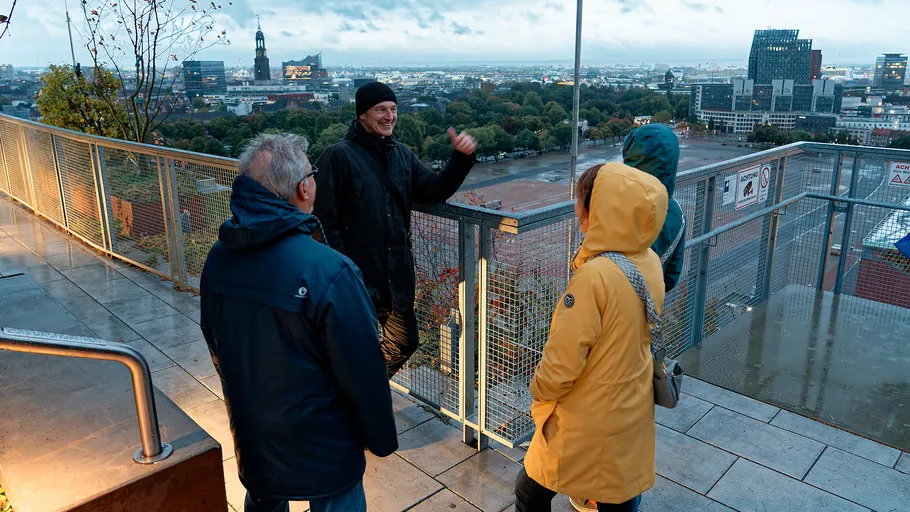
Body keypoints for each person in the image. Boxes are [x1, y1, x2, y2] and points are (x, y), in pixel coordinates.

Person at [200, 134, 398, 512]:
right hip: (325, 445)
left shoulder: (219, 257)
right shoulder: (329, 270)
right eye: (313, 173)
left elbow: (216, 343)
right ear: (303, 188)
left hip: (254, 433)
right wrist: (381, 438)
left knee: (263, 499)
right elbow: (362, 370)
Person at [516, 162, 668, 512]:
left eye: (581, 202)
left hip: (587, 417)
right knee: (616, 492)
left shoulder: (594, 277)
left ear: (598, 210)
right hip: (629, 404)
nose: (577, 209)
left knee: (530, 493)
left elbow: (563, 361)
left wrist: (539, 390)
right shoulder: (649, 261)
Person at [313, 81, 477, 378]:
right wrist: (342, 271)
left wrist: (460, 159)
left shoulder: (403, 155)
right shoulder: (337, 157)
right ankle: (350, 400)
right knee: (348, 345)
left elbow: (433, 190)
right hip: (355, 275)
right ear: (362, 115)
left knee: (404, 342)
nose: (389, 116)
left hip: (396, 273)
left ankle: (359, 390)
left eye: (393, 109)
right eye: (380, 110)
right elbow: (322, 219)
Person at [569, 123, 686, 512]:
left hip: (606, 325)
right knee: (631, 418)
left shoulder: (618, 206)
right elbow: (670, 276)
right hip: (644, 324)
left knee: (597, 414)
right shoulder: (676, 210)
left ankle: (595, 492)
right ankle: (619, 492)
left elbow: (598, 261)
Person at [623, 123, 686, 292]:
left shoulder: (613, 202)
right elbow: (671, 278)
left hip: (605, 307)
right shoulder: (676, 213)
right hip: (648, 307)